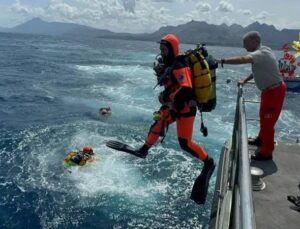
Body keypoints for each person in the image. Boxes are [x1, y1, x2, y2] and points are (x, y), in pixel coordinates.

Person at [134, 34, 215, 204]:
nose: (162, 53)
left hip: (185, 108)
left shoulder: (179, 64)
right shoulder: (171, 63)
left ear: (172, 48)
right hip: (176, 105)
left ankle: (209, 163)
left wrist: (168, 98)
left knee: (185, 143)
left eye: (164, 49)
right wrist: (168, 98)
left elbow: (186, 88)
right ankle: (144, 149)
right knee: (160, 121)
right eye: (161, 50)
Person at [216, 31, 286, 160]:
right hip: (268, 91)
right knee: (264, 118)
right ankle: (260, 140)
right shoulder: (265, 51)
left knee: (268, 122)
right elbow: (260, 69)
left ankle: (266, 152)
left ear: (254, 41)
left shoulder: (260, 53)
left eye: (245, 43)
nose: (243, 46)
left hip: (274, 92)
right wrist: (245, 80)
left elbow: (243, 59)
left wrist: (222, 61)